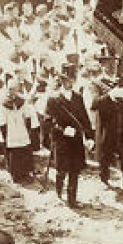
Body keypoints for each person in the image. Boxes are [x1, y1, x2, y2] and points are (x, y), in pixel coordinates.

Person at [45, 65, 92, 209]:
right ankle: (59, 192)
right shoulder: (53, 99)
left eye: (71, 80)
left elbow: (85, 118)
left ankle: (72, 199)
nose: (69, 83)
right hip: (61, 140)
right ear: (61, 80)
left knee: (75, 169)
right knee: (62, 169)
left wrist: (89, 137)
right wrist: (62, 129)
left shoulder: (78, 97)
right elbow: (47, 121)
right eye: (65, 80)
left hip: (76, 140)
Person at [92, 58, 123, 197]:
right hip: (107, 127)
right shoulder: (96, 83)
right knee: (105, 155)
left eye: (113, 63)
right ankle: (104, 177)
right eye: (108, 63)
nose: (112, 66)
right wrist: (110, 96)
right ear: (102, 66)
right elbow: (94, 104)